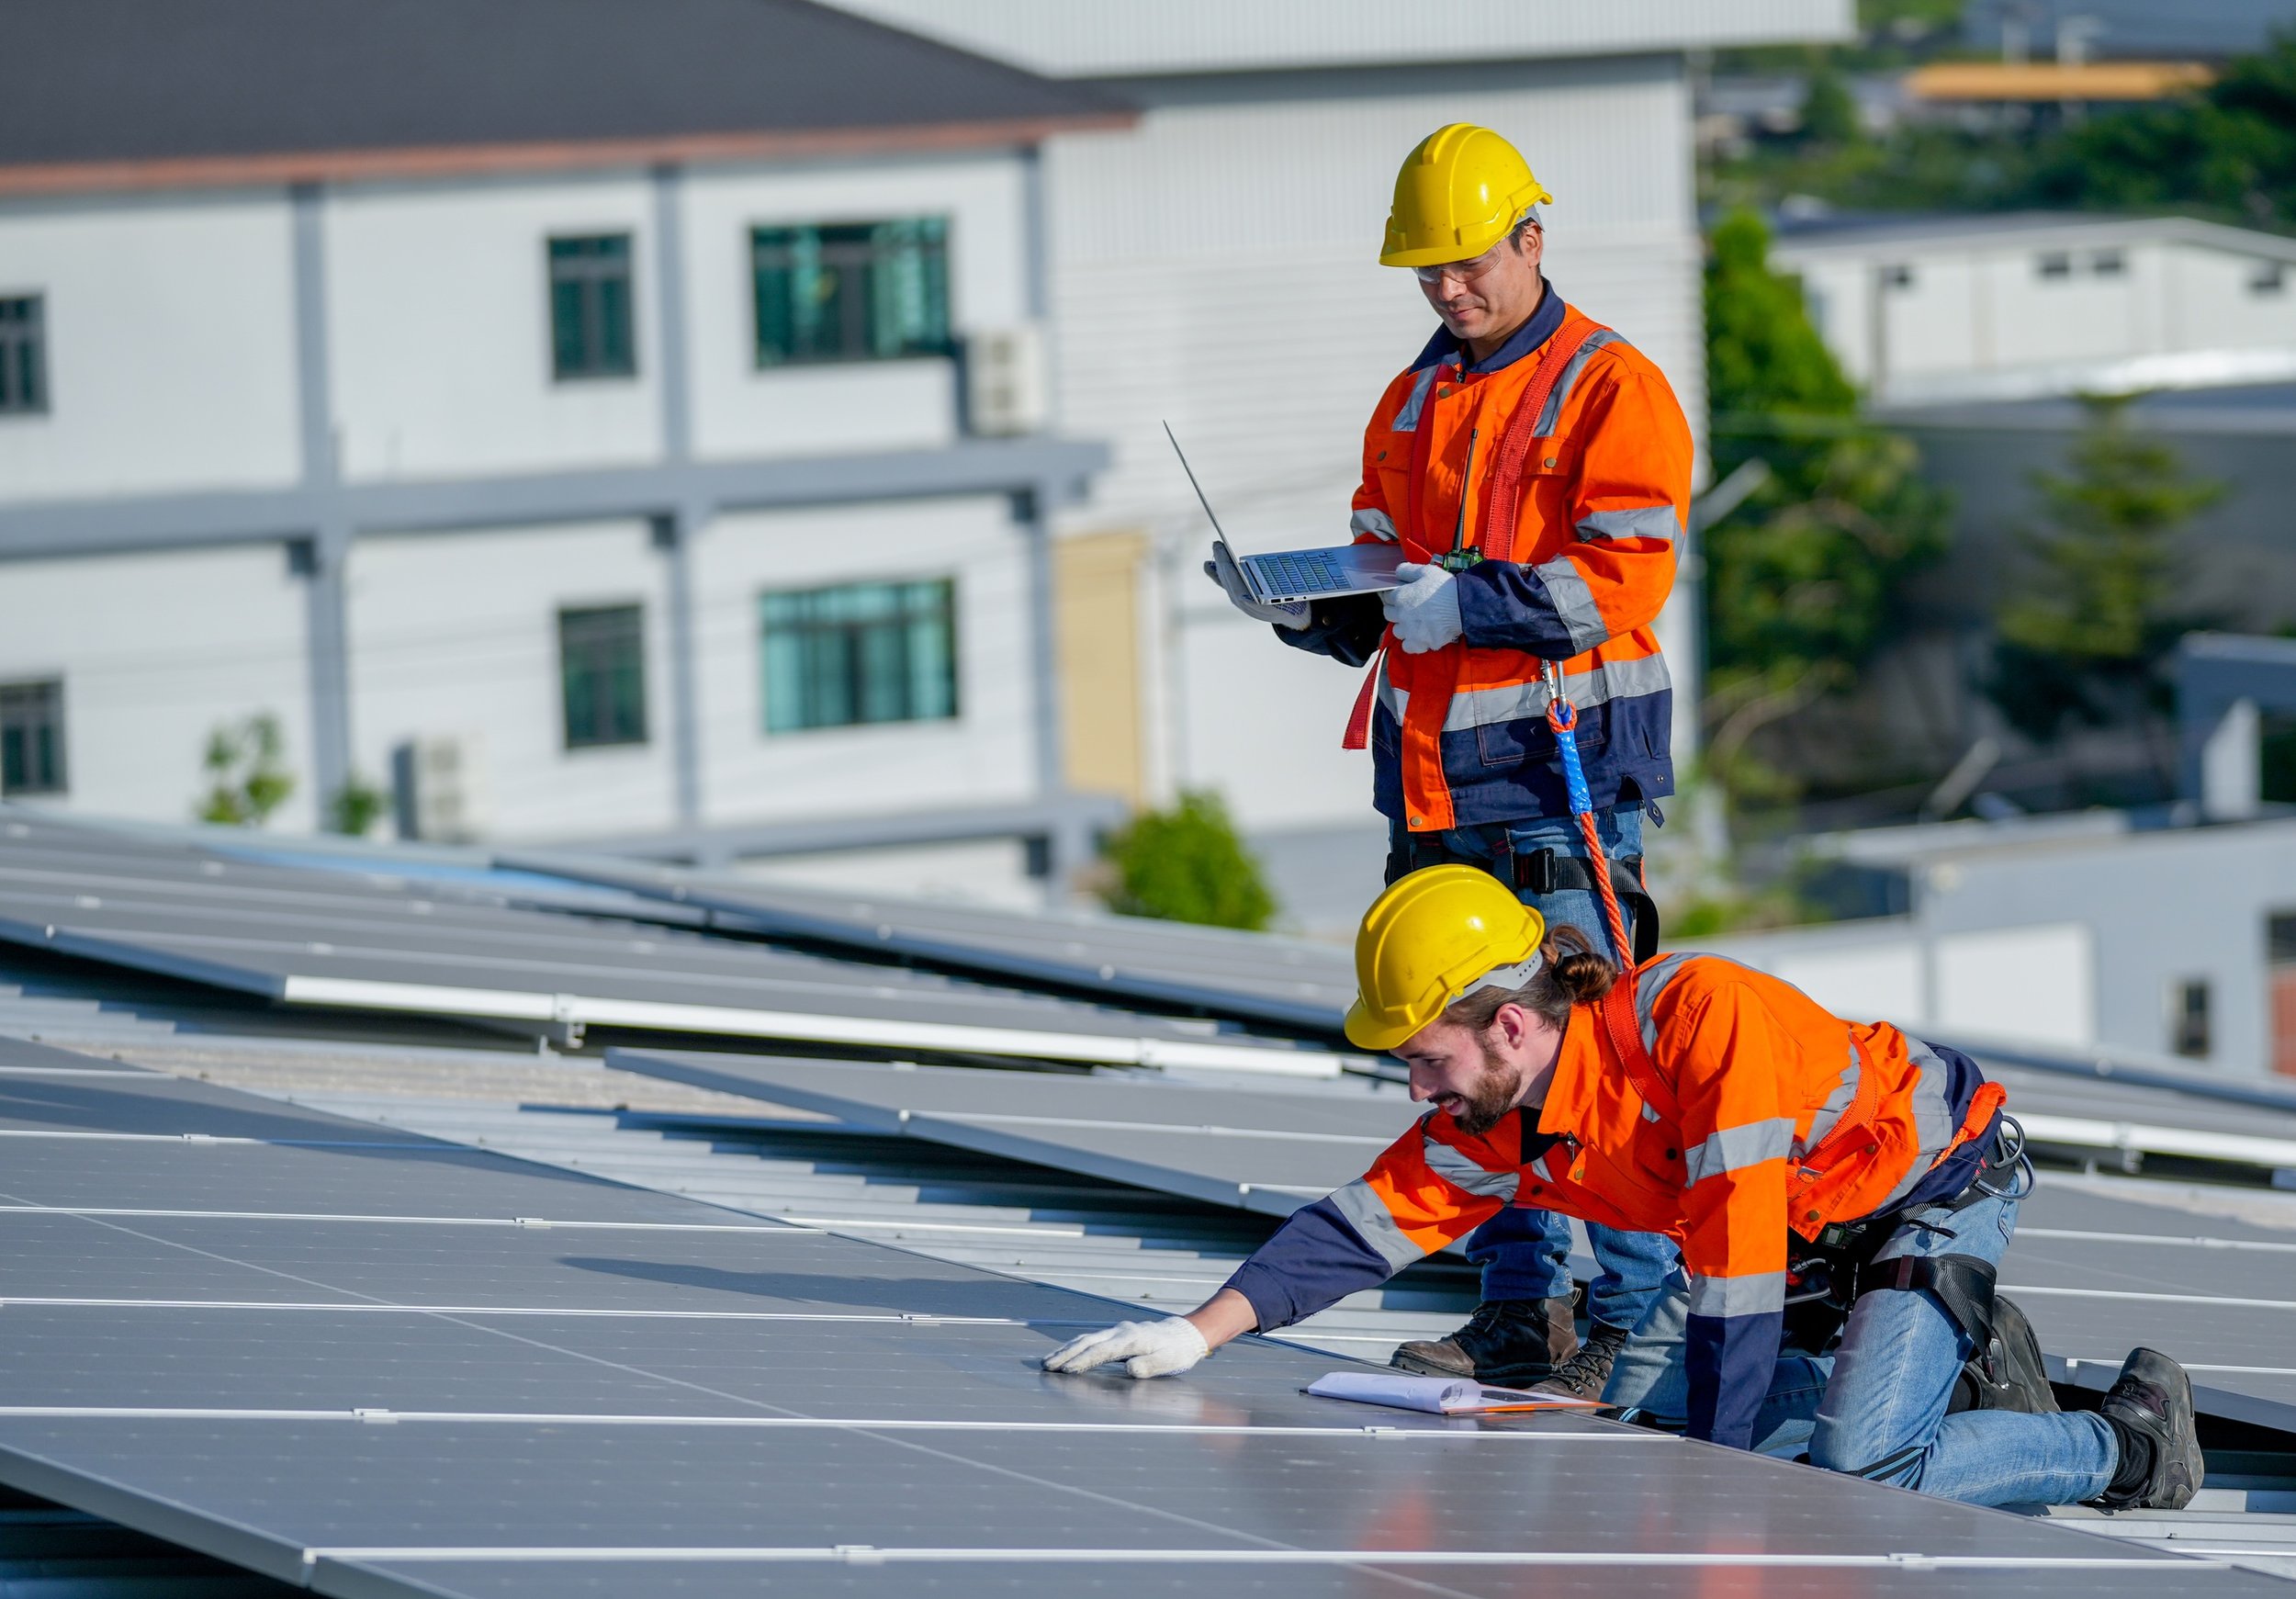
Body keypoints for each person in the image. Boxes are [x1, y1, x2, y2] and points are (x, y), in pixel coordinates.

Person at [1041, 866, 2203, 1511]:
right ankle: (1935, 1369)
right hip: (1805, 1238)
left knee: (1855, 1472)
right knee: (1647, 1426)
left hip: (1927, 1184)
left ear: (1506, 1023)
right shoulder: (1504, 1115)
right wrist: (1197, 1336)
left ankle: (2126, 1445)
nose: (1414, 1091)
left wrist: (1734, 1485)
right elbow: (1360, 1228)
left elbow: (1739, 1271)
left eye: (1421, 1058)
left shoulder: (1700, 1022)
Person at [1201, 121, 1691, 1395]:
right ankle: (1524, 1316)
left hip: (1556, 784)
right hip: (1432, 793)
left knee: (1596, 1062)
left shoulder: (1607, 386)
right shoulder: (1413, 400)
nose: (1449, 289)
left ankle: (1636, 1325)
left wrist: (1466, 606)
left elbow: (1628, 575)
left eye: (1468, 262)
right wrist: (1310, 609)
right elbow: (1384, 586)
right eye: (1428, 271)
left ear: (1533, 239)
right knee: (1473, 1068)